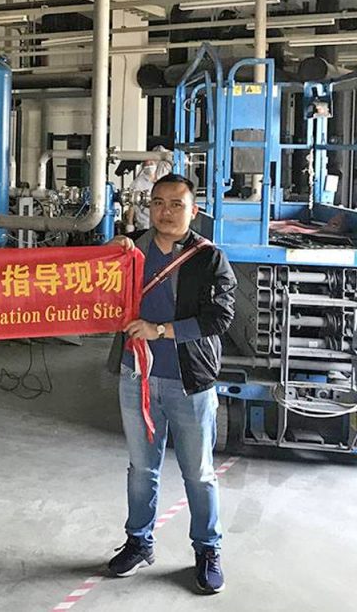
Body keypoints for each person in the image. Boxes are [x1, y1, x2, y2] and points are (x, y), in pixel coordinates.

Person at [105, 174, 236, 594]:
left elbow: (220, 318)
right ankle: (138, 541)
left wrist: (160, 331)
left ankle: (208, 550)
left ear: (193, 211)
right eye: (158, 202)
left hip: (188, 381)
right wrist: (105, 254)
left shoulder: (208, 258)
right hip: (136, 376)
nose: (165, 211)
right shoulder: (129, 249)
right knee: (141, 468)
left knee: (198, 472)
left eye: (176, 204)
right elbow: (94, 288)